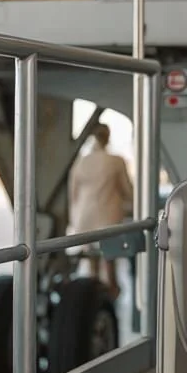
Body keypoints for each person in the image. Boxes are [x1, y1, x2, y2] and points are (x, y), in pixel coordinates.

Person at [68, 123, 134, 299]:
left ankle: (92, 294)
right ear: (108, 137)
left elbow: (73, 193)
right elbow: (127, 191)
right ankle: (112, 294)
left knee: (92, 261)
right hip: (108, 215)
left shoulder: (81, 162)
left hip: (85, 215)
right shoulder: (116, 161)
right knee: (109, 258)